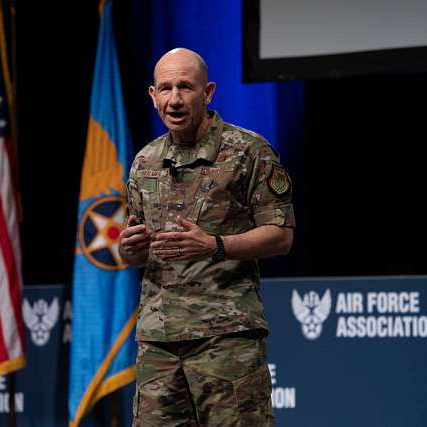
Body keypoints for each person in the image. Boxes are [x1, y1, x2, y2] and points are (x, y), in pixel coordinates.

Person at [119, 47, 295, 427]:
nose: (175, 99)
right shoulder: (144, 161)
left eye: (185, 87)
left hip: (226, 338)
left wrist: (216, 245)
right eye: (165, 89)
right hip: (158, 343)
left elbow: (281, 235)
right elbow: (138, 249)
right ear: (153, 95)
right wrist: (129, 249)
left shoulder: (249, 152)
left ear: (209, 92)